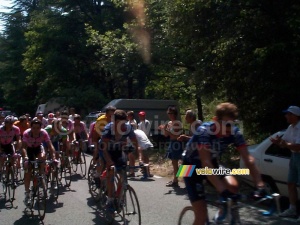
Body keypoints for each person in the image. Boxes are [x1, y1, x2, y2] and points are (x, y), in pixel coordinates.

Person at [183, 102, 265, 225]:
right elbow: (205, 162)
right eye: (226, 124)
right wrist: (222, 190)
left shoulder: (234, 132)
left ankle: (220, 216)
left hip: (212, 163)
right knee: (201, 216)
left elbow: (248, 159)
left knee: (233, 186)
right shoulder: (204, 131)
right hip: (189, 167)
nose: (229, 129)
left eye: (232, 124)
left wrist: (260, 185)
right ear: (216, 120)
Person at [101, 110, 138, 213]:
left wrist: (135, 156)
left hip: (118, 149)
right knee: (111, 172)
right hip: (107, 149)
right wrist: (109, 161)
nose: (122, 125)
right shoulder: (109, 129)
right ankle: (110, 200)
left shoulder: (128, 128)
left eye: (124, 122)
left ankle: (119, 197)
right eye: (119, 123)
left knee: (123, 173)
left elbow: (135, 141)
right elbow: (104, 148)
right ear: (114, 121)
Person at [271, 106, 300, 221]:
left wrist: (285, 144)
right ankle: (292, 209)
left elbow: (298, 146)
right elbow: (286, 142)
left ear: (295, 115)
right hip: (294, 156)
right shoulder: (291, 127)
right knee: (290, 183)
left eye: (288, 114)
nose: (286, 116)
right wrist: (279, 142)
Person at [22, 119, 56, 206]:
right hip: (29, 150)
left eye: (38, 128)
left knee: (42, 157)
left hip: (38, 148)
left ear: (41, 128)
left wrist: (53, 158)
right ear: (31, 127)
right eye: (34, 128)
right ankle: (27, 193)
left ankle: (42, 174)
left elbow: (50, 145)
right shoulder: (26, 133)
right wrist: (25, 157)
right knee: (28, 171)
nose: (36, 130)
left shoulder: (43, 133)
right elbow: (24, 147)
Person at [158, 106, 183, 187]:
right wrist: (164, 129)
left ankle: (185, 178)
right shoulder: (169, 123)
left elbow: (177, 136)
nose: (168, 115)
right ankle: (175, 180)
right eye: (168, 113)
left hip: (177, 143)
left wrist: (166, 130)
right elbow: (166, 135)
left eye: (170, 113)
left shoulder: (177, 123)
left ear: (174, 114)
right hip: (172, 143)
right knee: (174, 162)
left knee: (183, 162)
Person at [0, 116, 22, 182]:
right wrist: (1, 151)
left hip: (9, 144)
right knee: (2, 158)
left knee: (12, 159)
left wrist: (18, 150)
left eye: (11, 123)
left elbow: (19, 140)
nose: (10, 125)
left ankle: (11, 174)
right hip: (1, 144)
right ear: (5, 123)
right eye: (8, 123)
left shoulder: (16, 129)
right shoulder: (0, 129)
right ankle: (0, 171)